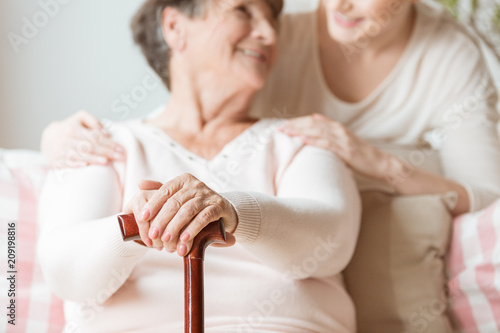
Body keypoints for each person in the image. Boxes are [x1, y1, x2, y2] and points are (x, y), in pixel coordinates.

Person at [36, 0, 361, 332]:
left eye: (272, 21)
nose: (268, 34)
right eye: (243, 11)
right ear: (175, 27)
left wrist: (232, 212)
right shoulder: (100, 142)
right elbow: (66, 275)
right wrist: (140, 225)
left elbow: (329, 246)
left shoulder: (300, 138)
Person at [42, 0, 500, 217]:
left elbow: (487, 198)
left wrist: (378, 163)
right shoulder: (274, 39)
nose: (341, 4)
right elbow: (187, 124)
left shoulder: (451, 56)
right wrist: (55, 140)